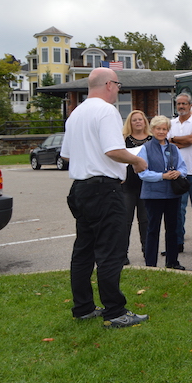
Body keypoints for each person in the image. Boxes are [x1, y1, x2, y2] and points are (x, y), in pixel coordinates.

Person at [60, 67, 149, 328]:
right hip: (104, 189)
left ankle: (83, 307)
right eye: (118, 85)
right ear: (109, 84)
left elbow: (66, 155)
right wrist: (136, 160)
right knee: (111, 251)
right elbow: (113, 150)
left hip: (80, 188)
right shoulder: (106, 111)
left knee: (84, 250)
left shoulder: (76, 113)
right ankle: (116, 311)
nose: (119, 90)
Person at [136, 115, 187, 270]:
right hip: (153, 195)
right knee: (153, 229)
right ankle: (150, 264)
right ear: (152, 130)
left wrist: (178, 173)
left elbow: (183, 167)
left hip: (172, 194)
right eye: (158, 128)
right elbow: (142, 173)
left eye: (164, 129)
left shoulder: (174, 148)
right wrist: (162, 176)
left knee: (172, 229)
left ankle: (172, 262)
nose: (161, 131)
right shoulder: (145, 148)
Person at [167, 93, 192, 256]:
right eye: (179, 104)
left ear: (190, 105)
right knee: (178, 211)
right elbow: (166, 143)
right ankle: (178, 243)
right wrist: (178, 142)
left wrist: (175, 140)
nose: (181, 106)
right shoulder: (171, 123)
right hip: (177, 173)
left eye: (184, 104)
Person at [122, 110, 151, 264]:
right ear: (130, 123)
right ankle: (122, 254)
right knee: (125, 221)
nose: (138, 122)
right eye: (135, 120)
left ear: (145, 122)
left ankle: (148, 252)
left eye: (141, 119)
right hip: (127, 186)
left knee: (145, 221)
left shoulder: (152, 140)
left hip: (147, 186)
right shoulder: (123, 140)